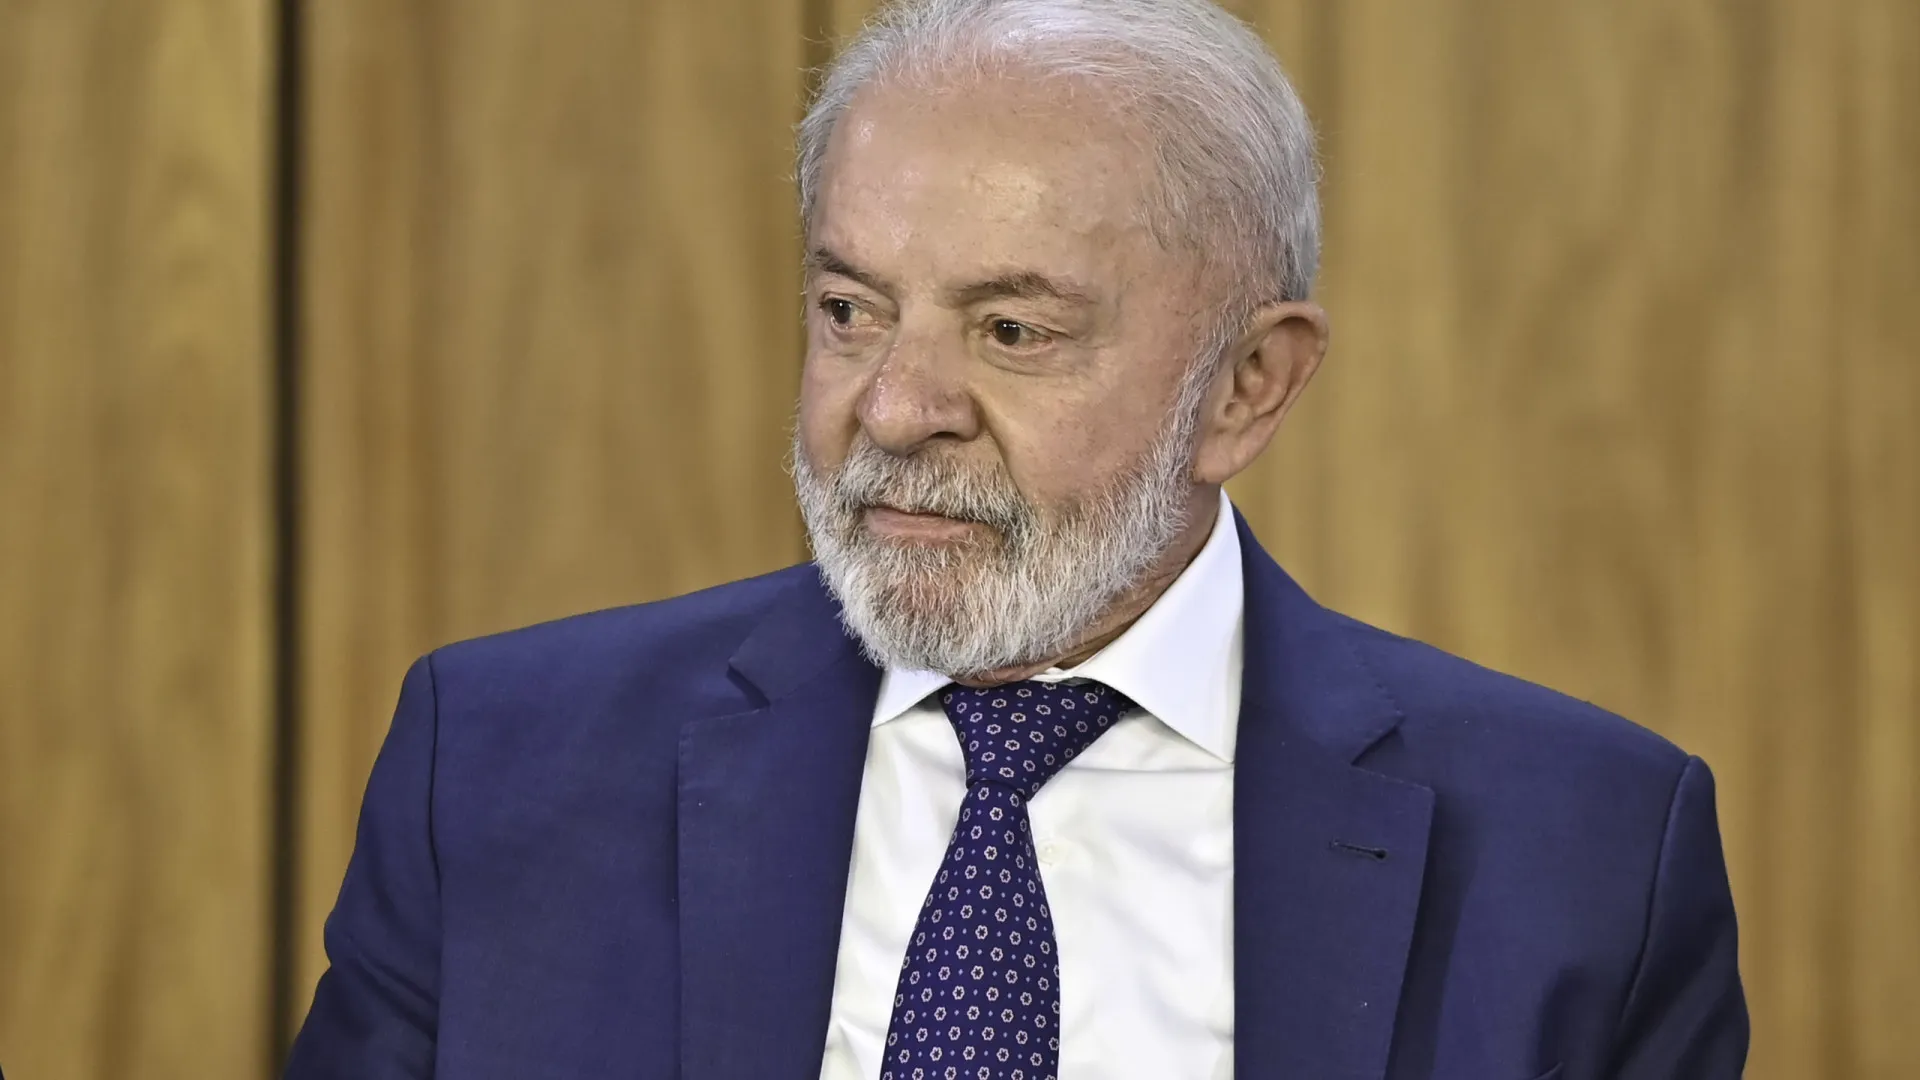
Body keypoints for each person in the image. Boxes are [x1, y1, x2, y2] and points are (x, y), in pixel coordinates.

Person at [285, 1, 1747, 1077]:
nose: (895, 407)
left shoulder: (1585, 855)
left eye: (1011, 330)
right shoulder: (497, 767)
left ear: (1248, 385)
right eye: (850, 310)